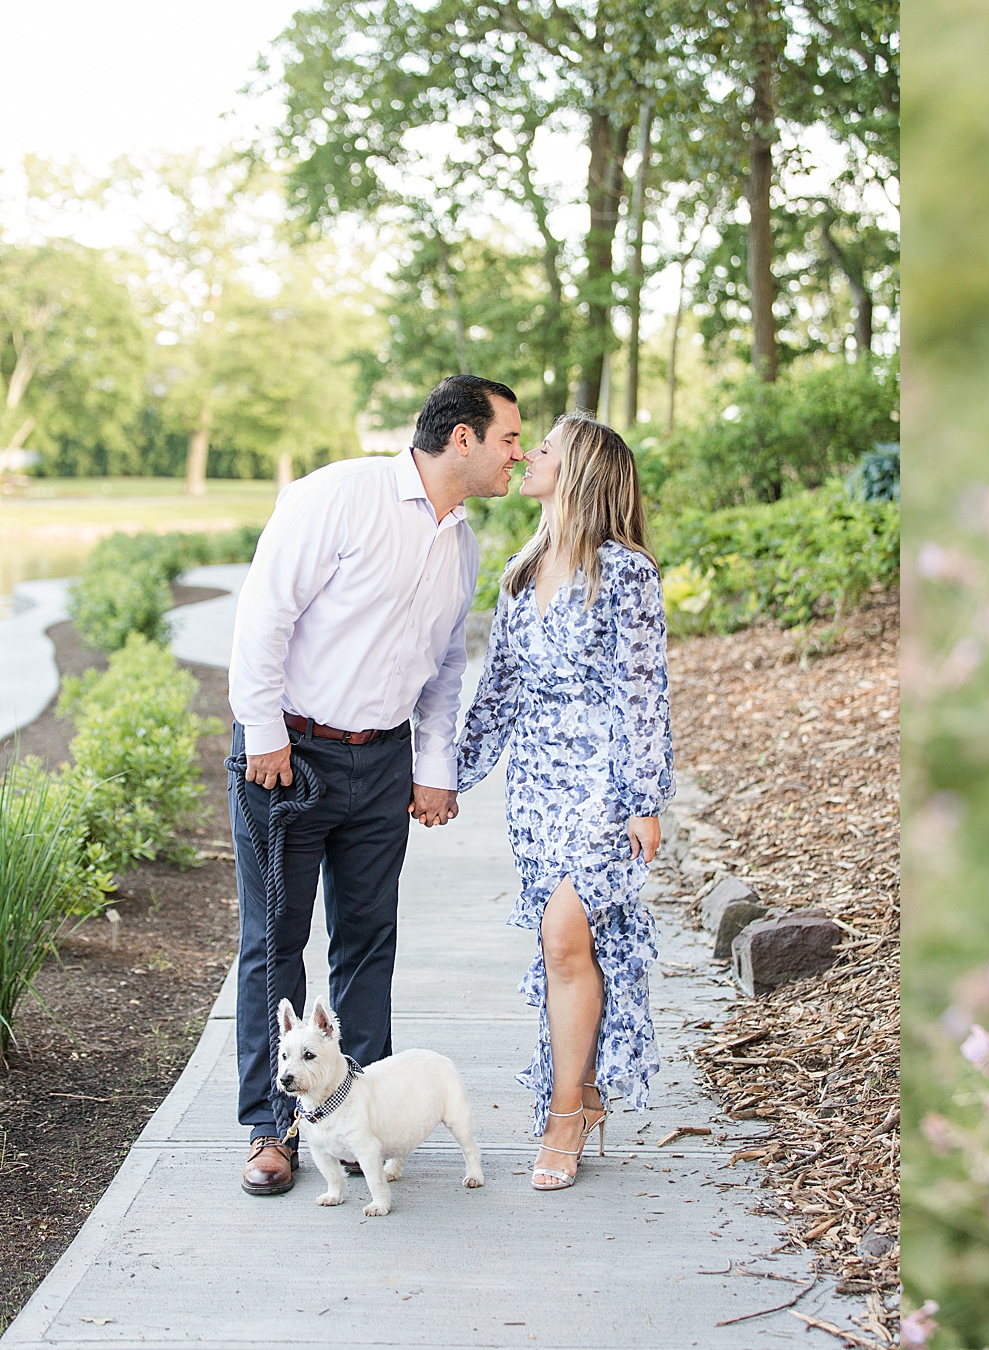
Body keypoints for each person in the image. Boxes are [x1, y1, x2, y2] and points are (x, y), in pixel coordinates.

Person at [228, 374, 523, 1196]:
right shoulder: (338, 497)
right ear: (460, 438)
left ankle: (359, 1127)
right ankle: (273, 1129)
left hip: (383, 763)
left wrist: (433, 768)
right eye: (508, 437)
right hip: (289, 758)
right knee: (275, 948)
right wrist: (262, 733)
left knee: (367, 944)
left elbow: (443, 666)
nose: (518, 453)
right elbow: (264, 615)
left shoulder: (460, 539)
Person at [455, 413, 673, 1190]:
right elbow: (500, 690)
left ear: (580, 472)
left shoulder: (627, 573)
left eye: (545, 447)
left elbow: (642, 694)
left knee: (563, 939)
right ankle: (581, 1092)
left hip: (603, 788)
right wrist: (448, 776)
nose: (530, 455)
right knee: (568, 952)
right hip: (536, 789)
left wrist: (644, 799)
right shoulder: (520, 574)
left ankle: (564, 1116)